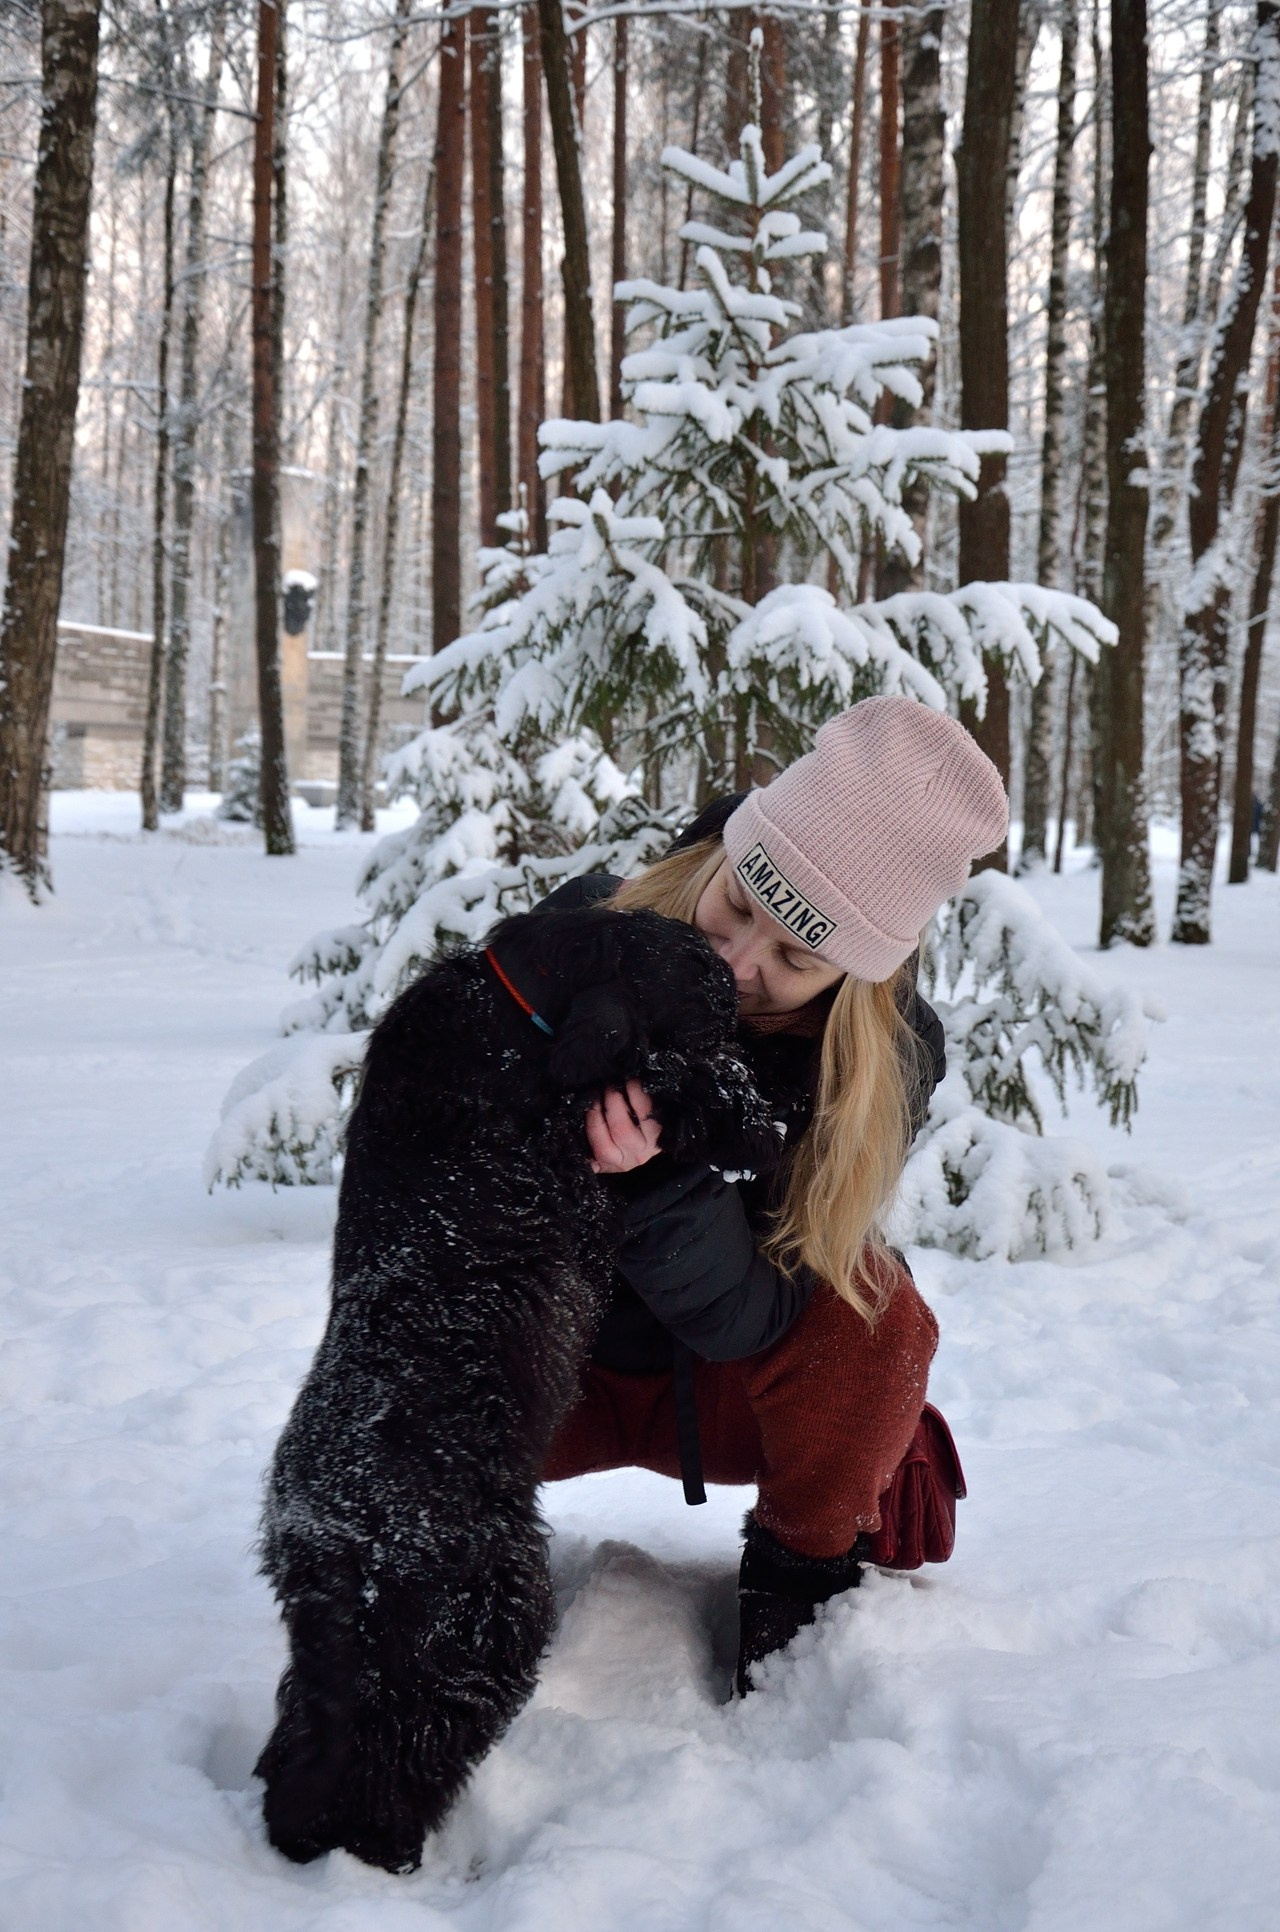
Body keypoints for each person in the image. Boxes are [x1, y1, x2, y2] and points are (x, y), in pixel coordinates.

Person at [536, 696, 1008, 1692]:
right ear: (720, 855)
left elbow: (756, 1313)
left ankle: (796, 1571)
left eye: (795, 957)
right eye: (739, 904)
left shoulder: (879, 1066)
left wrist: (663, 1182)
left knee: (871, 1304)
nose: (738, 964)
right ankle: (425, 1561)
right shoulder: (581, 937)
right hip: (544, 1372)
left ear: (854, 977)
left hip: (723, 1394)